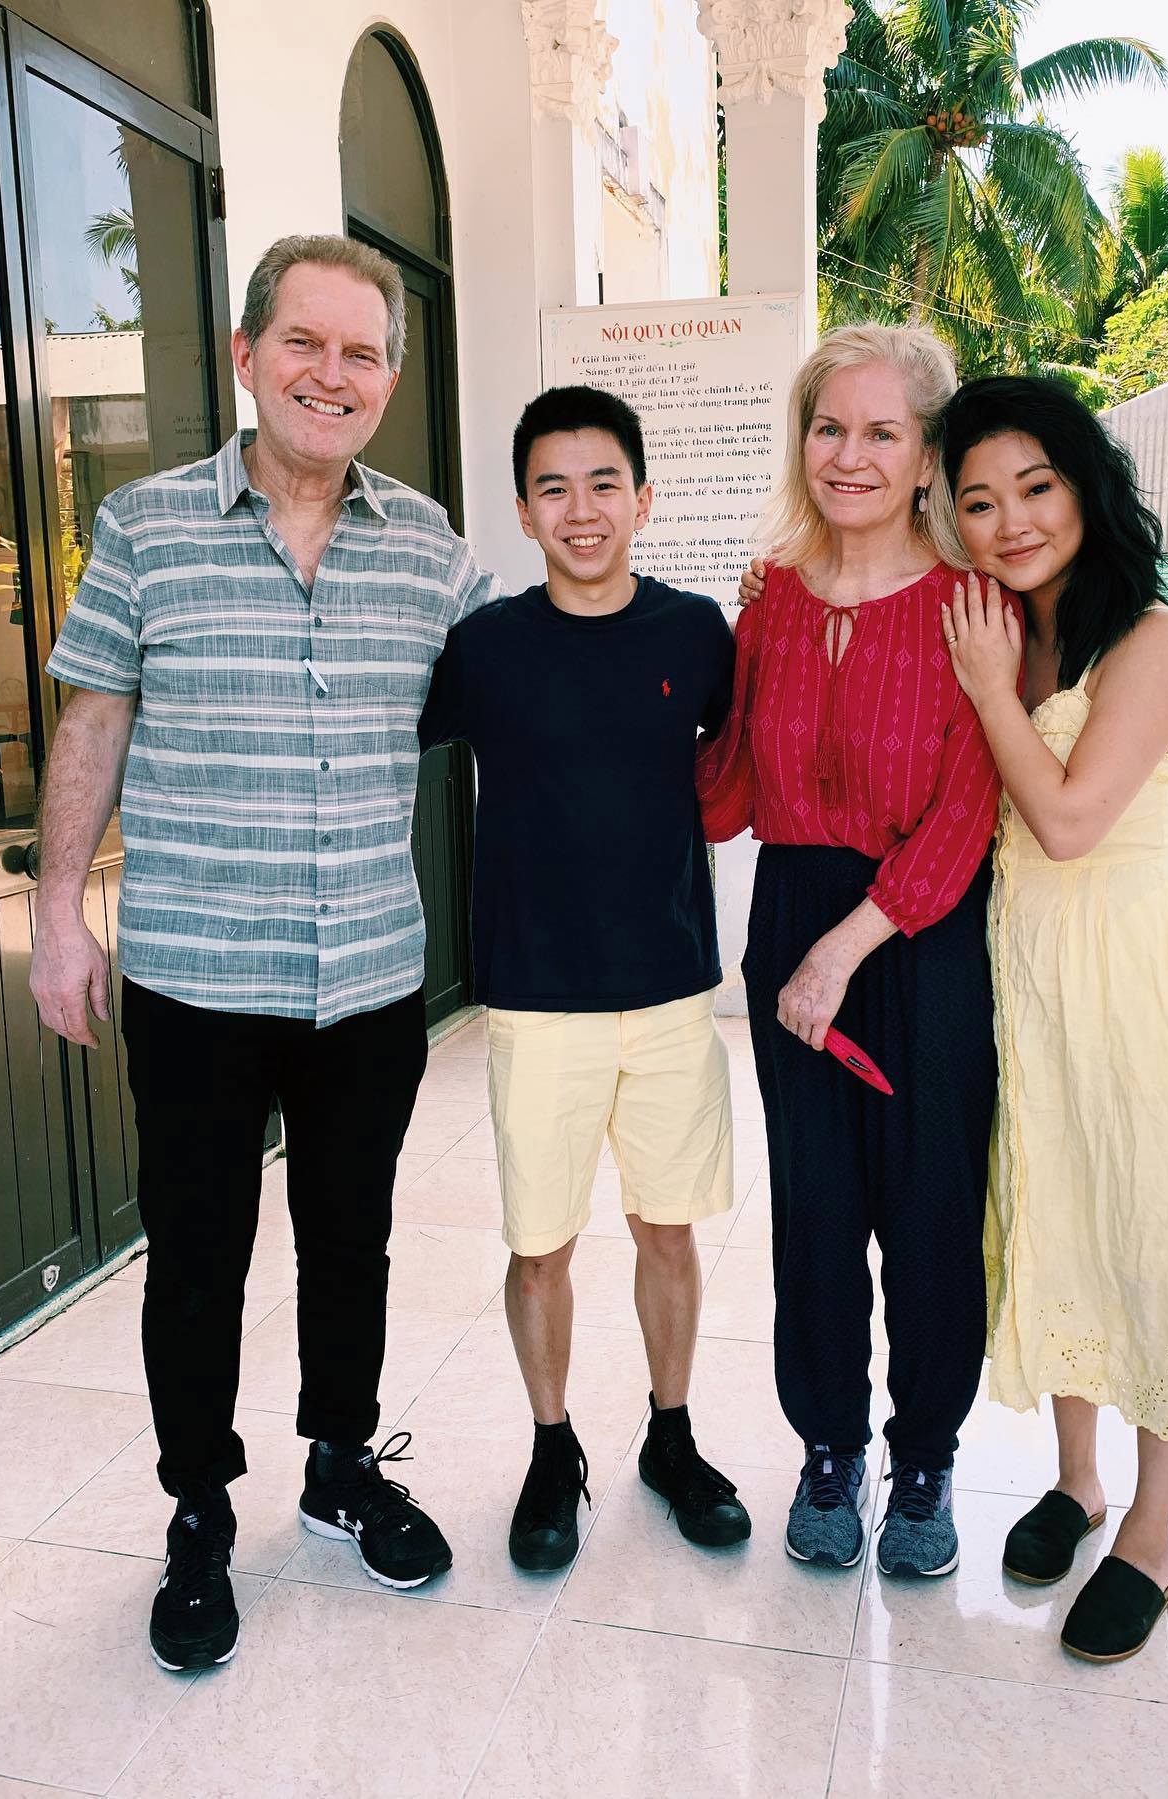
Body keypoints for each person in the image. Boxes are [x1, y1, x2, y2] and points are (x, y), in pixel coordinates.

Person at [31, 235, 501, 1671]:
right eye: (305, 342)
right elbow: (93, 720)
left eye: (362, 353)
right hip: (194, 977)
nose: (330, 374)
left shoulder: (430, 547)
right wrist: (58, 911)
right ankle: (197, 1507)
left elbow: (527, 692)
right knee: (198, 1259)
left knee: (350, 1242)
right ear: (247, 356)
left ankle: (341, 1463)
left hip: (367, 978)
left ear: (390, 382)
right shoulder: (144, 526)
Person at [939, 376, 1168, 1663]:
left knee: (1163, 1233)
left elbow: (1072, 820)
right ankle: (1076, 1481)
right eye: (979, 500)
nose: (1012, 520)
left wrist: (989, 691)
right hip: (1029, 971)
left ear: (1086, 485)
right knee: (1063, 1212)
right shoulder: (1003, 627)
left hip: (1137, 970)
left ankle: (1152, 1533)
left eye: (1036, 486)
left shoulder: (1154, 638)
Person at [417, 384, 751, 1572]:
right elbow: (372, 731)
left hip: (668, 987)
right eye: (553, 488)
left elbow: (749, 754)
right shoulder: (486, 648)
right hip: (536, 997)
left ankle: (672, 1434)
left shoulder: (696, 634)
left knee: (668, 1227)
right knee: (540, 1244)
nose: (582, 508)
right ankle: (552, 1448)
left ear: (644, 498)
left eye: (604, 482)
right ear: (523, 511)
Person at [698, 325, 1006, 1578]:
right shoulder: (771, 597)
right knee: (816, 1209)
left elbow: (970, 807)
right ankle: (830, 1448)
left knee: (929, 1209)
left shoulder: (973, 605)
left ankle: (923, 1456)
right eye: (830, 427)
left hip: (920, 931)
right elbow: (727, 793)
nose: (851, 454)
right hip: (791, 911)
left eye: (884, 431)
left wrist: (847, 947)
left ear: (927, 455)